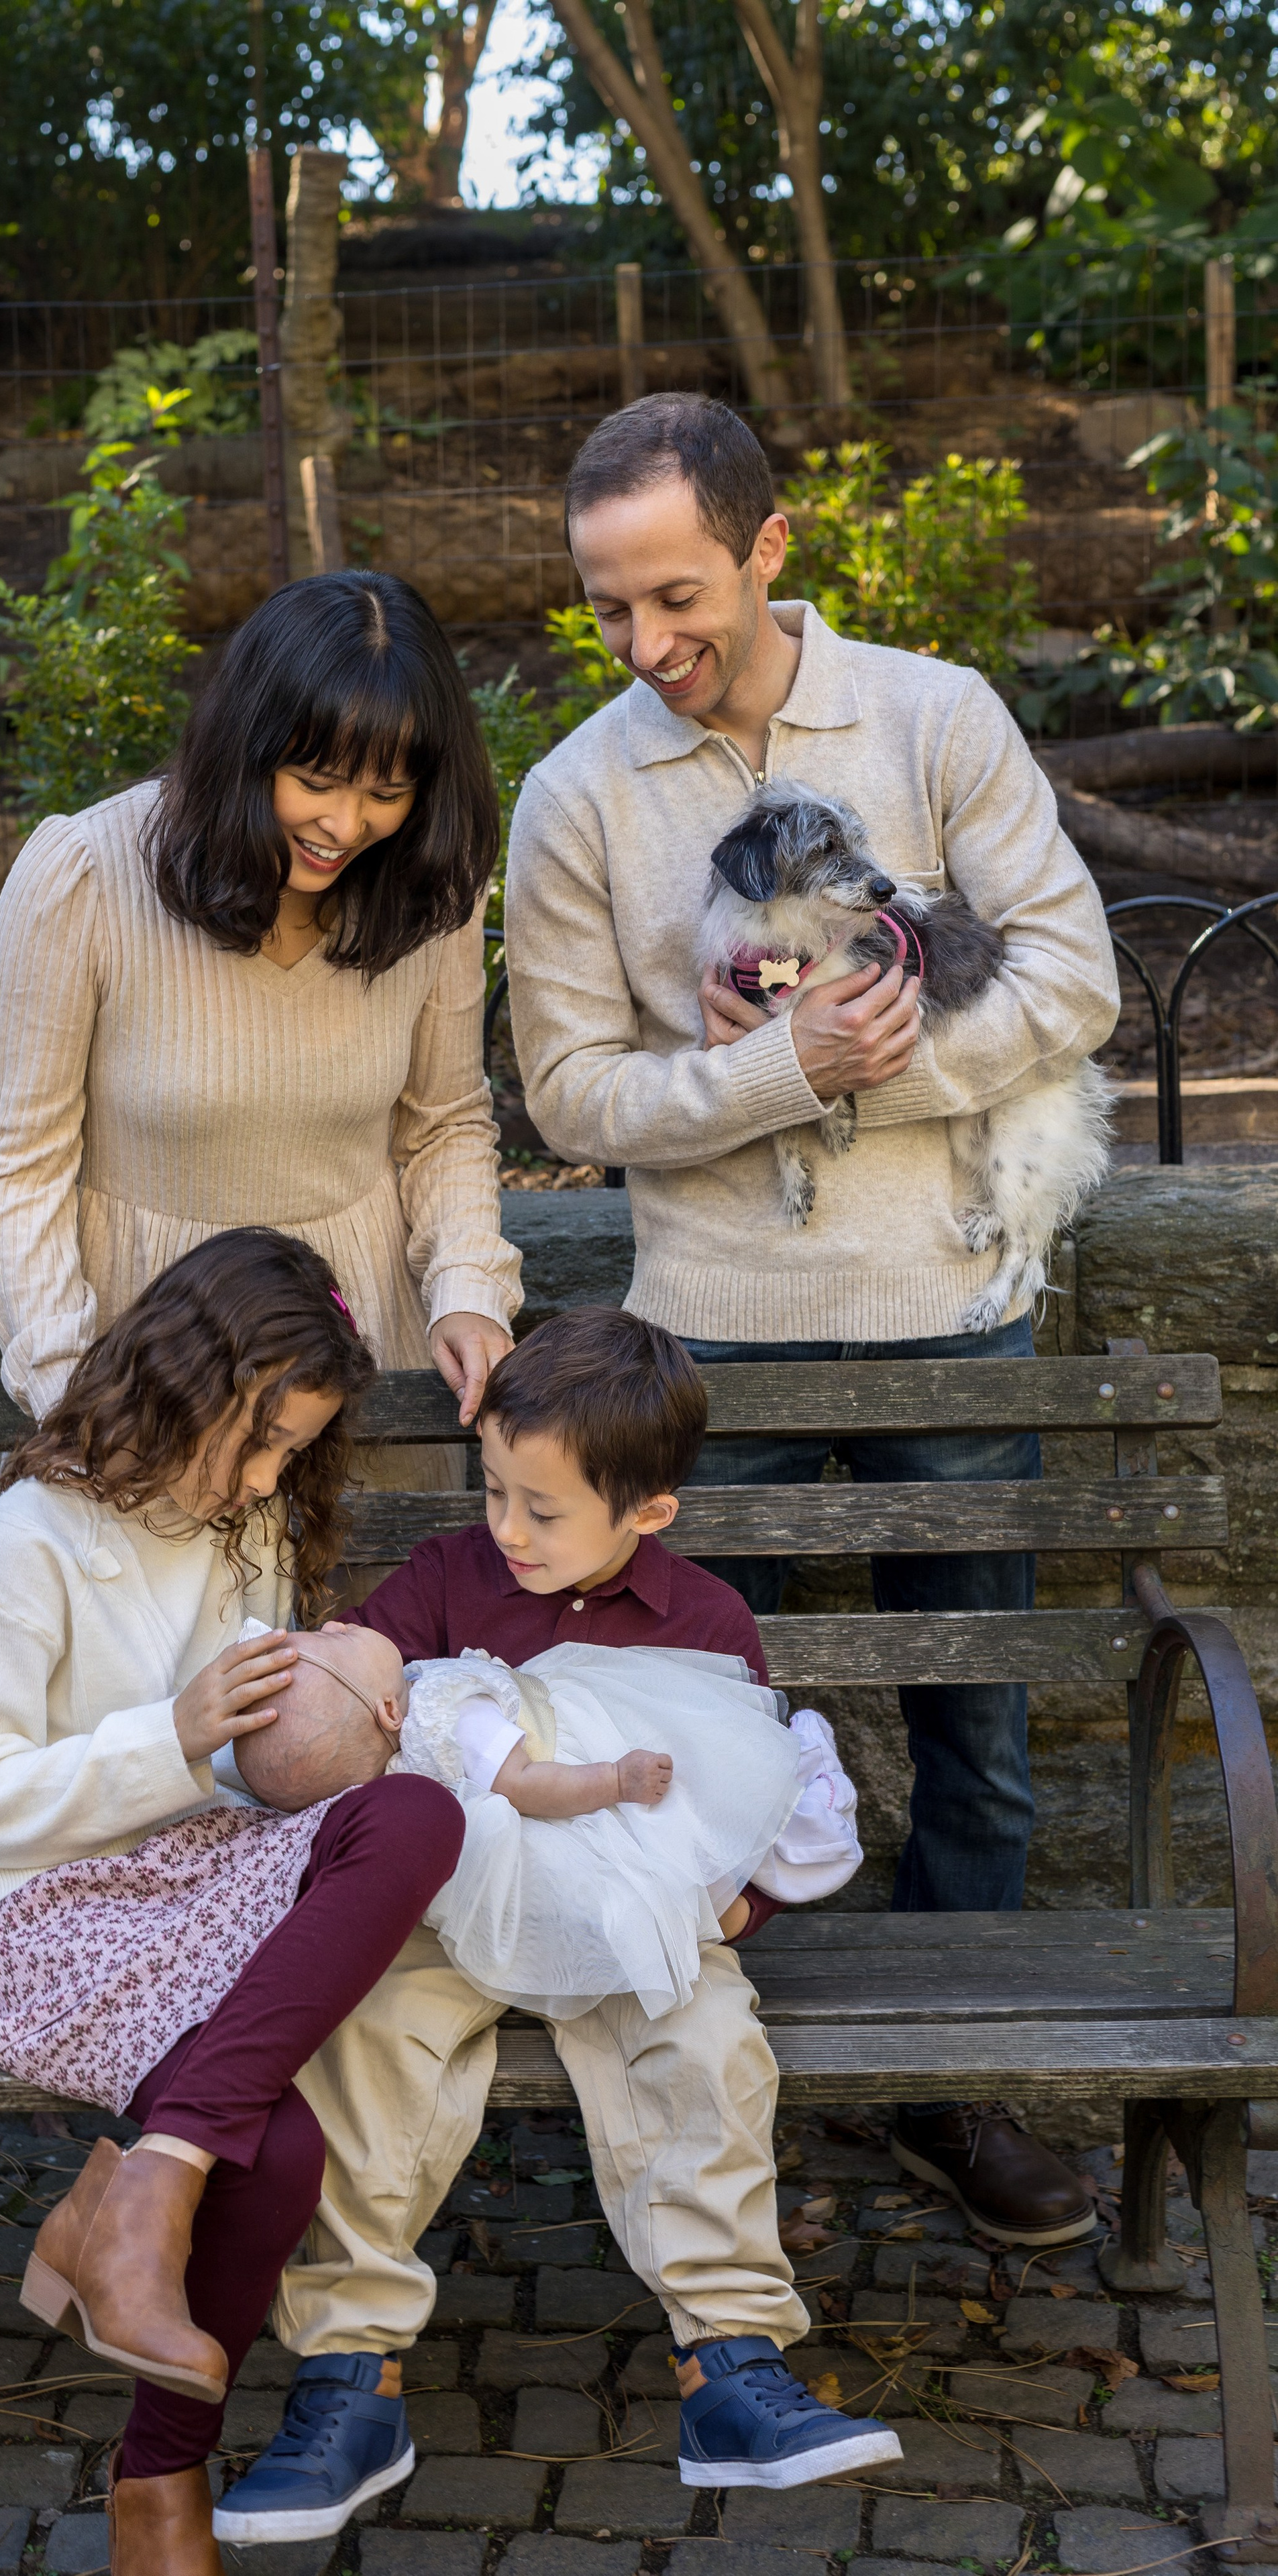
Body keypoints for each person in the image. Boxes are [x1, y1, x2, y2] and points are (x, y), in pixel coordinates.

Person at [502, 390, 1122, 2245]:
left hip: (950, 1308)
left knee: (975, 1732)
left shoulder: (936, 717)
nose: (644, 645)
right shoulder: (574, 796)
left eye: (676, 596)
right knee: (692, 1732)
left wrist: (875, 1060)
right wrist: (771, 1073)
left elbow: (1075, 975)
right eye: (607, 609)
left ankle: (956, 2091)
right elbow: (568, 1090)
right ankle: (703, 2082)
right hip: (707, 1334)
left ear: (767, 547)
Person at [216, 1308, 899, 2550]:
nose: (509, 1531)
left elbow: (753, 1795)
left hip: (629, 1915)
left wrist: (735, 1908)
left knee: (708, 2043)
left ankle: (730, 2360)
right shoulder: (444, 1581)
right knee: (363, 2041)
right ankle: (349, 2375)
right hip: (450, 1907)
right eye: (494, 1493)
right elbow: (361, 1715)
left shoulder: (706, 1624)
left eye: (543, 1509)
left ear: (650, 1511)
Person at [0, 1229, 466, 2576]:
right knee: (272, 2151)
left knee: (415, 1815)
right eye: (261, 1439)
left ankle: (143, 2186)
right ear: (184, 1384)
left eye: (296, 1449)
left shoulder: (248, 1523)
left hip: (206, 1875)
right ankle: (159, 2480)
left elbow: (253, 1776)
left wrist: (345, 1719)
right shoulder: (30, 1538)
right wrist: (170, 1736)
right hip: (52, 1913)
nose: (272, 1477)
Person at [0, 570, 521, 1470]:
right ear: (244, 748)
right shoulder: (84, 876)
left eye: (387, 793)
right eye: (315, 781)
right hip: (154, 1374)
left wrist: (467, 1290)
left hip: (360, 1366)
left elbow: (443, 1123)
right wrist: (70, 1391)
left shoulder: (430, 891)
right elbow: (23, 1169)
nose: (345, 825)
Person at [230, 1621, 861, 2018]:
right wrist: (614, 1780)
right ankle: (809, 1810)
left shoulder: (389, 1774)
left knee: (679, 1866)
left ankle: (792, 1836)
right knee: (699, 1795)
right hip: (586, 1774)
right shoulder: (445, 1716)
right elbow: (526, 1783)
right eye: (337, 1640)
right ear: (390, 1712)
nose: (338, 1621)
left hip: (562, 1833)